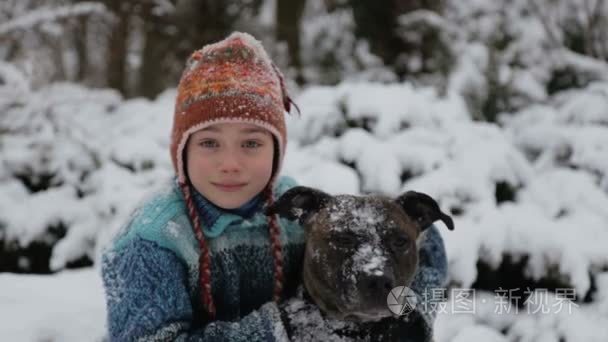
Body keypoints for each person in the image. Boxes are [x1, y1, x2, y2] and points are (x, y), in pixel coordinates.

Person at [101, 32, 448, 341]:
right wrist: (282, 329)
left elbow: (420, 238)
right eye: (209, 143)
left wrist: (409, 308)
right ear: (181, 151)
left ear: (276, 151)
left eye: (251, 143)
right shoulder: (151, 240)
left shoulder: (291, 209)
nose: (231, 163)